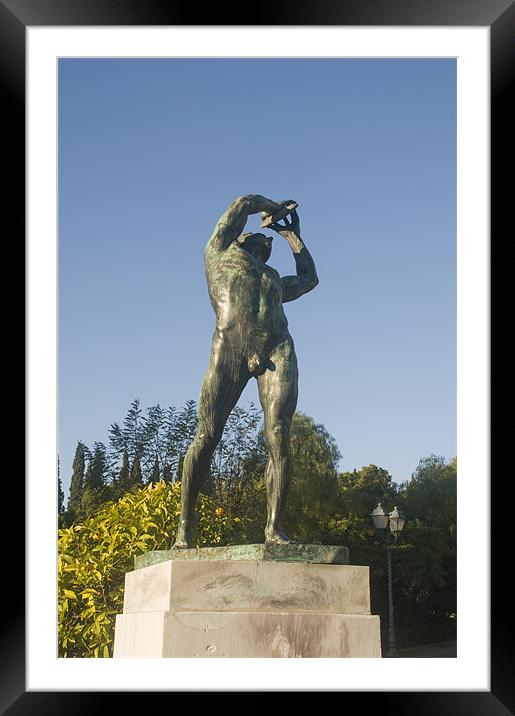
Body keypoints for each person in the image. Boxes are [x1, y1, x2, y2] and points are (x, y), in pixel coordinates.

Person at [173, 194, 319, 548]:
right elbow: (243, 203)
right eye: (261, 235)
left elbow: (310, 279)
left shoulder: (273, 279)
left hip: (276, 348)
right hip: (230, 350)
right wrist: (273, 207)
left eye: (269, 240)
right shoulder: (219, 254)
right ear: (240, 238)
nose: (264, 238)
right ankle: (184, 530)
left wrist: (292, 236)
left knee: (279, 435)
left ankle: (275, 528)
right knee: (207, 436)